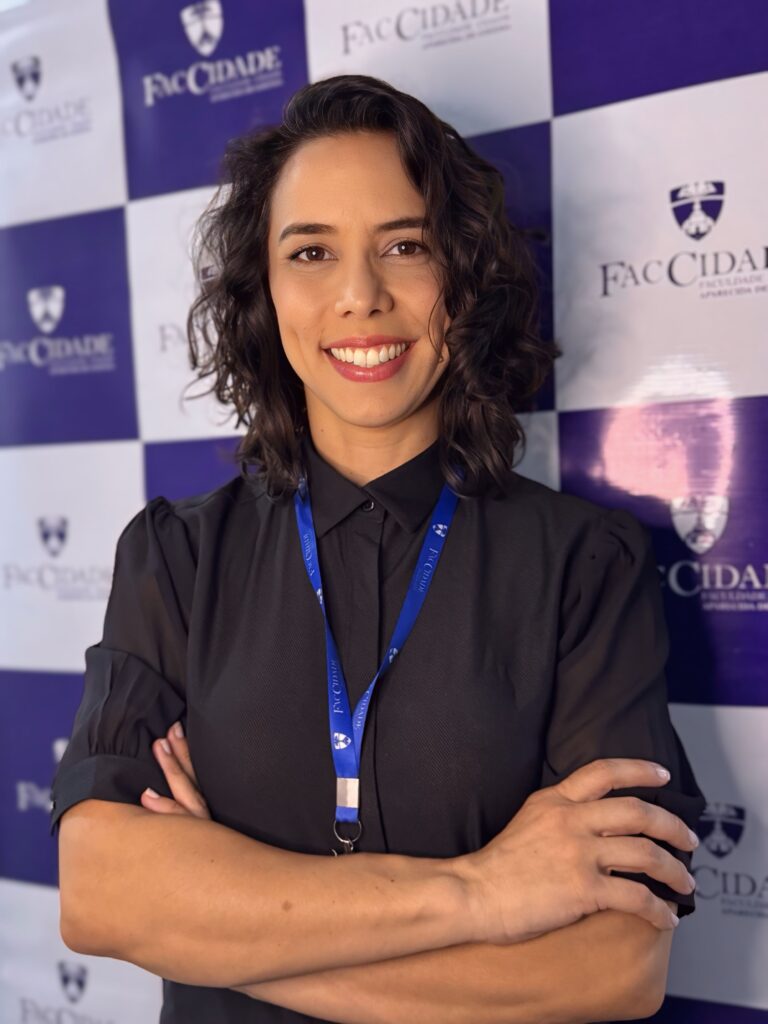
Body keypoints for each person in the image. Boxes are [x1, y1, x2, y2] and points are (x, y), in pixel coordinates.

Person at [51, 74, 707, 1023]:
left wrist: (215, 931)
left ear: (464, 277)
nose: (360, 297)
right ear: (265, 290)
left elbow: (613, 969)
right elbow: (101, 895)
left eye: (406, 246)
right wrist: (481, 891)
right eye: (311, 252)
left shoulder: (583, 562)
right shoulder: (175, 556)